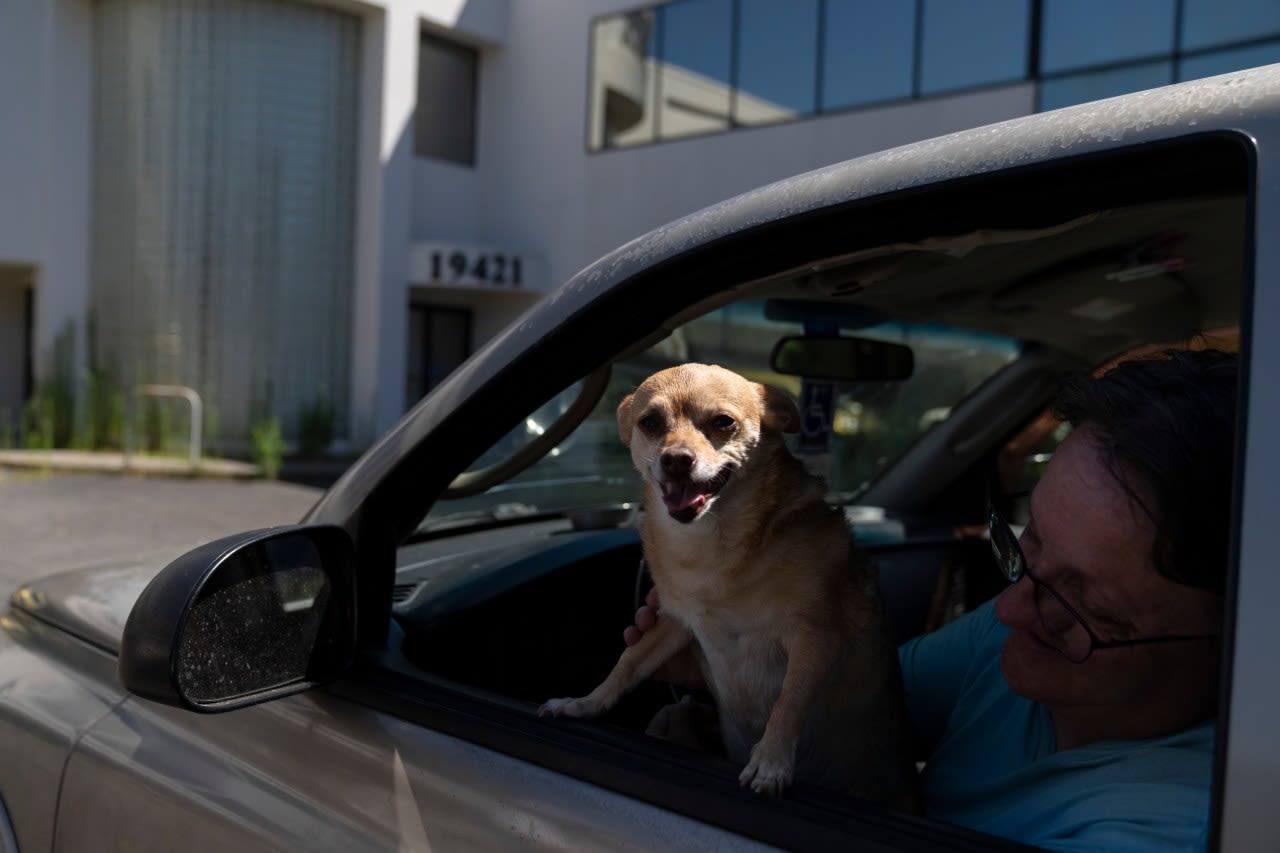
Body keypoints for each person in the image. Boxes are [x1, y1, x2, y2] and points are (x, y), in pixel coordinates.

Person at [625, 348, 1237, 852]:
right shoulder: (1015, 643)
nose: (1009, 609)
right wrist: (728, 666)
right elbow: (862, 705)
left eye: (1091, 610)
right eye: (1029, 546)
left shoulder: (1159, 829)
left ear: (1237, 643)